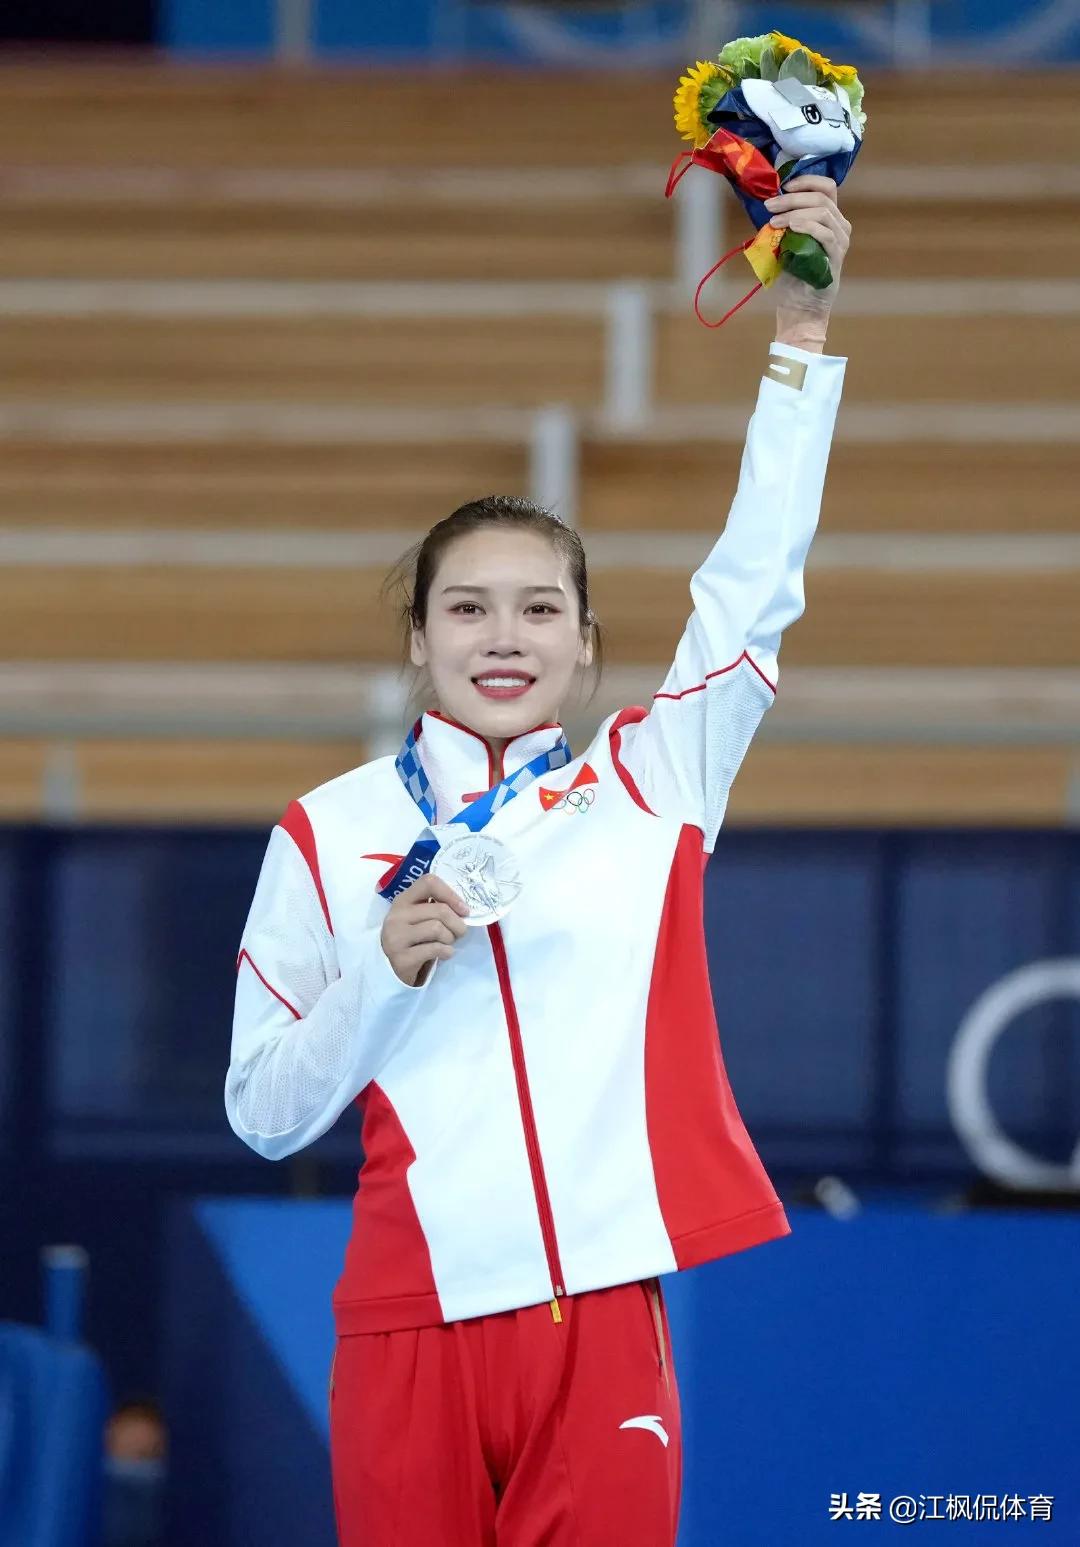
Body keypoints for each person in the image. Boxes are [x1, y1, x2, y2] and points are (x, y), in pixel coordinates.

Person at [225, 177, 851, 1546]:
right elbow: (262, 1110)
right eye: (466, 608)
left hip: (601, 1316)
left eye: (538, 609)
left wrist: (801, 339)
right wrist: (379, 975)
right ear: (418, 640)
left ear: (583, 642)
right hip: (407, 1319)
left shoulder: (653, 779)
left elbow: (754, 589)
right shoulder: (326, 831)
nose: (502, 638)